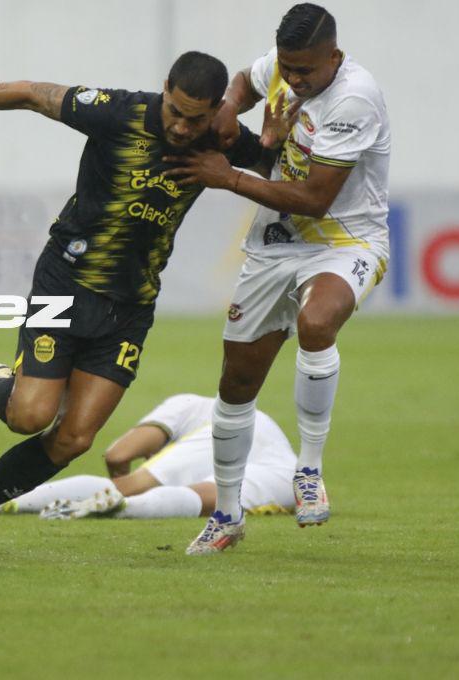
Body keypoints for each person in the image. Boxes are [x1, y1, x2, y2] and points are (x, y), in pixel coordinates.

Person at [0, 52, 291, 517]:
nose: (180, 127)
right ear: (164, 89)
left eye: (194, 119)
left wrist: (270, 147)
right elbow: (31, 93)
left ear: (217, 107)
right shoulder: (118, 112)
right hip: (67, 280)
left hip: (131, 306)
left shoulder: (224, 138)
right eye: (174, 111)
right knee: (30, 416)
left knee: (74, 438)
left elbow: (286, 173)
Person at [163, 4, 391, 553]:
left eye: (305, 71)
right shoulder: (284, 66)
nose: (293, 79)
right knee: (236, 384)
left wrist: (231, 177)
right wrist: (228, 109)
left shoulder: (354, 98)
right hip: (274, 242)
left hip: (346, 240)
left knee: (317, 323)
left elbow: (314, 199)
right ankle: (226, 515)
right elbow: (247, 79)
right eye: (288, 67)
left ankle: (307, 471)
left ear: (334, 57)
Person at [0, 393, 296, 523]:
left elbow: (118, 454)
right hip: (287, 475)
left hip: (237, 427)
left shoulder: (183, 406)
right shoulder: (194, 409)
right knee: (211, 497)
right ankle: (123, 507)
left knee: (133, 484)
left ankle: (1, 503)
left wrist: (123, 483)